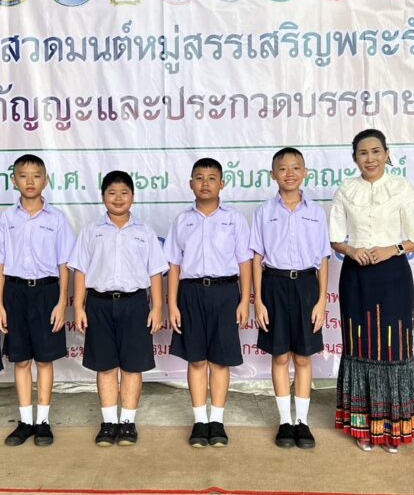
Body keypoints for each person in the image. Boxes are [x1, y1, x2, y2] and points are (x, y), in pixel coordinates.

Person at [329, 129, 414, 453]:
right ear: (354, 158)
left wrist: (394, 248)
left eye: (376, 151)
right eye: (363, 153)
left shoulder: (400, 188)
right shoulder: (346, 190)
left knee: (393, 348)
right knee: (359, 345)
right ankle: (362, 425)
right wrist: (351, 249)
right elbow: (335, 238)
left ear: (387, 154)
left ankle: (394, 426)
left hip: (393, 276)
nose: (370, 158)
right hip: (356, 276)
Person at [69, 171, 167, 447]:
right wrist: (78, 306)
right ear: (103, 197)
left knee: (132, 367)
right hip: (98, 304)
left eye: (124, 193)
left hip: (135, 304)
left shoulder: (144, 232)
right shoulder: (92, 230)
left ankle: (127, 423)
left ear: (132, 197)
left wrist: (157, 307)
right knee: (105, 367)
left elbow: (156, 272)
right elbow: (80, 270)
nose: (118, 198)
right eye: (112, 193)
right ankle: (109, 422)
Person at [164, 158, 252, 448]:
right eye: (199, 178)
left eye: (212, 178)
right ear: (191, 184)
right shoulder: (182, 220)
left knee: (219, 360)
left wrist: (244, 300)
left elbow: (244, 262)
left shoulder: (234, 219)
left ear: (222, 184)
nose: (205, 183)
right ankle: (200, 420)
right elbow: (174, 266)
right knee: (197, 359)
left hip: (225, 293)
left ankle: (217, 420)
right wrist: (172, 304)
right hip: (190, 293)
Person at [0, 154, 75, 447]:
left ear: (46, 180)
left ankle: (43, 422)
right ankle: (25, 421)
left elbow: (65, 264)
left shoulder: (57, 219)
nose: (30, 181)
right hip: (14, 293)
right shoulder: (6, 219)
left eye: (36, 175)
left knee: (44, 360)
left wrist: (62, 302)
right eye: (23, 175)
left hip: (46, 293)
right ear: (14, 180)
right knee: (21, 361)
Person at [250, 147, 330, 449]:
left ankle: (302, 423)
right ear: (273, 175)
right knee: (280, 356)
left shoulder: (316, 212)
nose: (290, 173)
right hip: (274, 285)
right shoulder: (264, 212)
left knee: (303, 357)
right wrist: (258, 300)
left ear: (305, 172)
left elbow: (323, 258)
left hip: (307, 286)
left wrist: (321, 300)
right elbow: (257, 257)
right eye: (283, 168)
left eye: (296, 167)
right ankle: (285, 422)